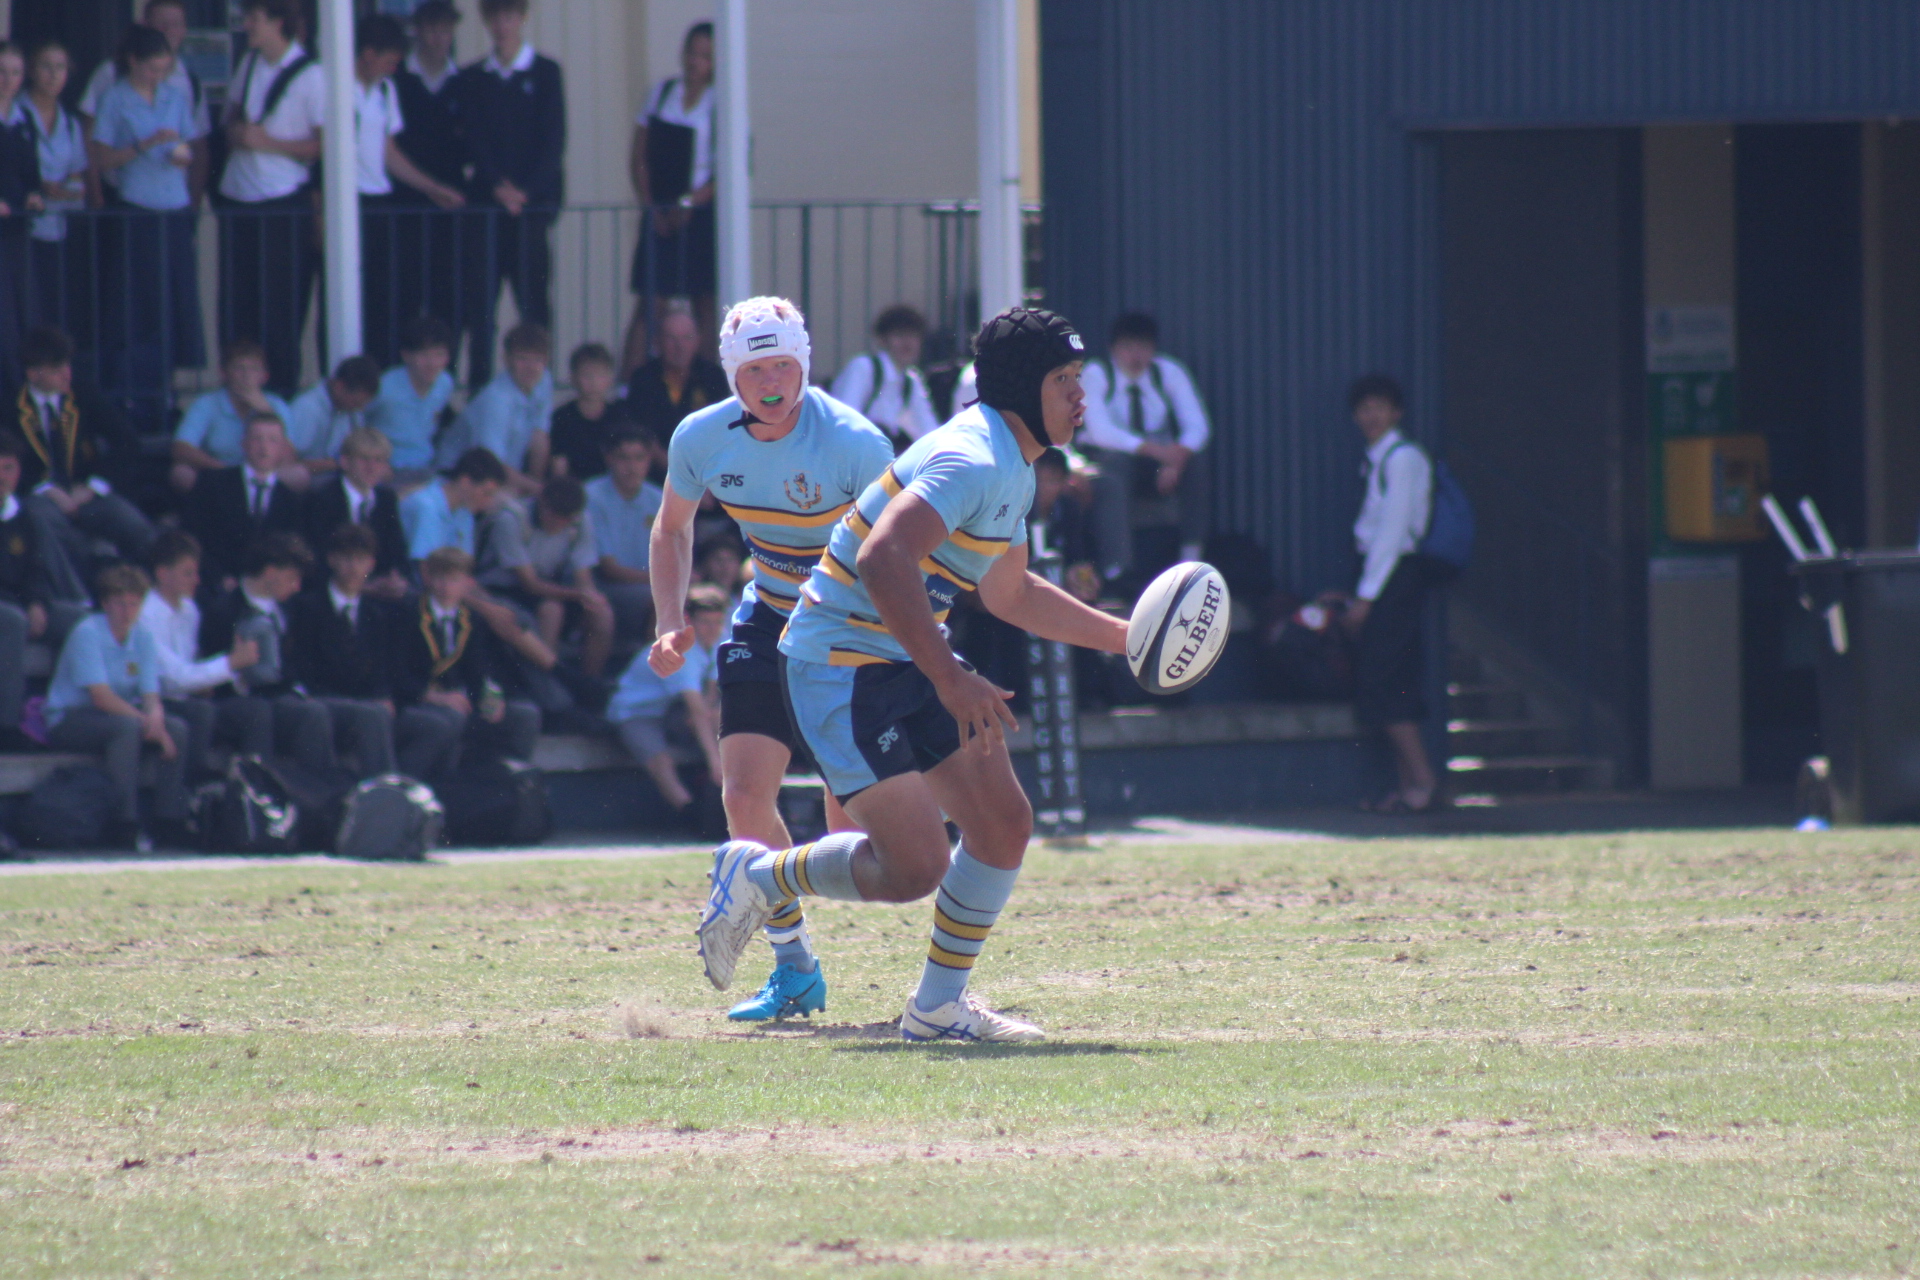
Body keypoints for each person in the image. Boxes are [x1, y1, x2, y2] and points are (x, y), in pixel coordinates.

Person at [699, 306, 1133, 1043]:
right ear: (1024, 389)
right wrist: (952, 680)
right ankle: (758, 876)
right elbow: (884, 557)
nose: (1080, 395)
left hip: (899, 653)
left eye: (1078, 377)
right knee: (914, 868)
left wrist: (1124, 639)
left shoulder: (1012, 465)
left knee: (1003, 823)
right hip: (837, 663)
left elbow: (1011, 594)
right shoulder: (974, 459)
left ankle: (935, 1009)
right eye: (1064, 379)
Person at [648, 296, 894, 1022]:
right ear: (731, 375)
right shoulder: (700, 437)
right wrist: (669, 622)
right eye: (754, 370)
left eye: (783, 365)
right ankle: (795, 968)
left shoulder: (855, 443)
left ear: (804, 365)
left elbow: (902, 558)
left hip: (850, 629)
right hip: (766, 616)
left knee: (852, 832)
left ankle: (941, 974)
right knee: (743, 797)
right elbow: (671, 529)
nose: (772, 382)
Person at [87, 24, 205, 431]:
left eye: (163, 69)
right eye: (151, 68)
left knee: (172, 302)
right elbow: (102, 158)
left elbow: (189, 143)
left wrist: (181, 155)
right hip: (137, 208)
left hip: (174, 207)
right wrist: (144, 145)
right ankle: (131, 393)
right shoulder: (115, 98)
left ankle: (165, 391)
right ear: (133, 62)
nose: (157, 76)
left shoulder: (174, 96)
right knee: (136, 305)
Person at [451, 0, 565, 388]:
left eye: (510, 16)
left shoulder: (546, 72)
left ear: (523, 18)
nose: (503, 24)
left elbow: (553, 141)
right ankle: (479, 389)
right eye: (496, 16)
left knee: (535, 306)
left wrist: (526, 192)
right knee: (480, 307)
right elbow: (473, 139)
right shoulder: (472, 77)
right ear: (486, 20)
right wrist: (498, 186)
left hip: (531, 213)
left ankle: (540, 391)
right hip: (485, 211)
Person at [1340, 374, 1439, 815]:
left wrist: (1366, 598)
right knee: (1385, 683)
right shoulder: (1376, 460)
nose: (1371, 416)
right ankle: (1408, 786)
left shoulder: (1404, 459)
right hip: (1381, 576)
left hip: (1394, 578)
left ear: (1396, 412)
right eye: (1364, 408)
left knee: (1388, 681)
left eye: (1379, 407)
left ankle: (1423, 782)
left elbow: (1393, 534)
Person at [218, 0, 324, 397]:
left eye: (255, 18)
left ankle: (279, 393)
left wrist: (268, 142)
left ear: (278, 22)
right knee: (238, 304)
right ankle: (236, 391)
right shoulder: (248, 63)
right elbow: (231, 116)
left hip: (280, 201)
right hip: (238, 196)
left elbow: (324, 146)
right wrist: (236, 134)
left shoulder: (312, 75)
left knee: (279, 307)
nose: (247, 25)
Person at [45, 564, 190, 852]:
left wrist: (156, 717)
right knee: (127, 728)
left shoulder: (143, 635)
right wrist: (147, 723)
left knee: (177, 729)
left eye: (134, 604)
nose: (127, 612)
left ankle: (168, 820)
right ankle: (124, 823)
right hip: (70, 718)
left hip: (116, 716)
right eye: (120, 604)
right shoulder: (87, 632)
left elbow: (150, 691)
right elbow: (100, 697)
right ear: (106, 604)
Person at [351, 15, 465, 367]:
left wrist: (432, 188)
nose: (393, 68)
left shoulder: (385, 90)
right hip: (347, 203)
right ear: (368, 54)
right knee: (351, 296)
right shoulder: (336, 87)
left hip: (380, 200)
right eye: (389, 60)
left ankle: (382, 373)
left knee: (386, 296)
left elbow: (389, 152)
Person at [12, 326, 154, 599]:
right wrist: (47, 489)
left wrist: (93, 486)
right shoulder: (10, 407)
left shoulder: (83, 394)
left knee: (133, 524)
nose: (67, 373)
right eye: (56, 368)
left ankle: (151, 595)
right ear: (33, 373)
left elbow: (126, 441)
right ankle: (80, 599)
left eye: (67, 364)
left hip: (86, 493)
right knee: (42, 522)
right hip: (41, 497)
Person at [1076, 311, 1212, 585]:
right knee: (1112, 475)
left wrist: (1177, 459)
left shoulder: (1169, 372)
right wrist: (1156, 451)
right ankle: (1118, 570)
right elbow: (1101, 431)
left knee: (1197, 465)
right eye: (1127, 347)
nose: (1135, 356)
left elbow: (1198, 426)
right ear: (1113, 349)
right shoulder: (1097, 373)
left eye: (1143, 347)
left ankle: (1190, 559)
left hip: (1160, 461)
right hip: (1109, 455)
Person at [391, 545, 540, 782]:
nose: (446, 587)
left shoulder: (471, 619)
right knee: (452, 718)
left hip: (458, 698)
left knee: (524, 715)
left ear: (467, 583)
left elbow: (480, 669)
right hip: (418, 699)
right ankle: (438, 786)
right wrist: (434, 696)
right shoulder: (408, 613)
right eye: (440, 578)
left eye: (453, 580)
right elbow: (395, 672)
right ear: (428, 578)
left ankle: (511, 784)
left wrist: (491, 697)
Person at [198, 531, 337, 776]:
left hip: (283, 696)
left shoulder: (292, 610)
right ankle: (259, 784)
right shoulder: (224, 610)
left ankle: (316, 788)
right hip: (239, 700)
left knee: (314, 712)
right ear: (271, 572)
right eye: (292, 578)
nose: (297, 587)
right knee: (260, 712)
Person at [622, 22, 715, 374]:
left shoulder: (720, 101)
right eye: (691, 52)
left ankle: (707, 385)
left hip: (699, 214)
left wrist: (689, 203)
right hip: (659, 210)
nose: (695, 61)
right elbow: (639, 155)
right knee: (650, 303)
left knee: (704, 303)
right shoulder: (661, 93)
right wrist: (652, 207)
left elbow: (729, 170)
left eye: (704, 55)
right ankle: (629, 386)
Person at [283, 523, 406, 778]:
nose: (353, 568)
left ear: (371, 564)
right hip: (322, 699)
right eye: (347, 559)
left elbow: (383, 666)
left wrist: (383, 695)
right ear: (332, 560)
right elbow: (301, 665)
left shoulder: (377, 613)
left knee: (416, 721)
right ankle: (384, 788)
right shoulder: (307, 607)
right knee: (372, 716)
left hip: (364, 701)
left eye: (361, 560)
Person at [139, 530, 261, 780]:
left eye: (196, 572)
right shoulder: (144, 615)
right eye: (187, 573)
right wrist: (231, 662)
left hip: (187, 698)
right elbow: (174, 679)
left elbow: (192, 665)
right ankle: (193, 785)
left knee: (253, 711)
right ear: (162, 573)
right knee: (201, 712)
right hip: (153, 701)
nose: (196, 580)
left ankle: (256, 784)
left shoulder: (190, 610)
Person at [77, 0, 212, 206]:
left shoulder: (188, 82)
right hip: (122, 193)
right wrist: (96, 197)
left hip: (175, 197)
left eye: (176, 24)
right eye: (162, 24)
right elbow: (90, 136)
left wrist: (194, 201)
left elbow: (198, 144)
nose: (169, 31)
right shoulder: (111, 74)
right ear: (145, 26)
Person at [611, 583, 725, 825]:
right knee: (661, 761)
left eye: (717, 622)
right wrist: (715, 762)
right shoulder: (681, 649)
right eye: (705, 622)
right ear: (688, 622)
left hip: (672, 712)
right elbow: (696, 710)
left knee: (719, 715)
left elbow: (709, 699)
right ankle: (691, 815)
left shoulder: (719, 643)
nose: (712, 630)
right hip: (635, 714)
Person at [478, 475, 613, 678]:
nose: (559, 523)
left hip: (551, 585)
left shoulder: (579, 520)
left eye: (566, 519)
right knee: (551, 611)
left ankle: (590, 680)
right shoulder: (512, 519)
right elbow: (529, 583)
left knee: (602, 614)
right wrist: (579, 595)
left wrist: (590, 597)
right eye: (555, 515)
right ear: (542, 503)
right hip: (504, 587)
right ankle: (549, 682)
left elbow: (582, 573)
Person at [0, 429, 85, 749]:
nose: (2, 476)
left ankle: (63, 717)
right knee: (12, 622)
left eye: (8, 468)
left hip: (21, 603)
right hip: (8, 609)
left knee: (78, 620)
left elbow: (38, 569)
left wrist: (37, 602)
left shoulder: (27, 516)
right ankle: (7, 726)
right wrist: (24, 607)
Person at [390, 1, 466, 348]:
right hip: (403, 202)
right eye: (432, 29)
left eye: (446, 30)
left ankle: (444, 370)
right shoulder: (397, 81)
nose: (439, 38)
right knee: (403, 293)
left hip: (450, 205)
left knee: (447, 294)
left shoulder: (464, 83)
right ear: (418, 31)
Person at [189, 411, 308, 589]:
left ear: (283, 448)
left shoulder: (291, 500)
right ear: (244, 443)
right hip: (216, 586)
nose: (264, 447)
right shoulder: (213, 484)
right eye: (257, 439)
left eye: (272, 440)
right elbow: (194, 538)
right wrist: (219, 578)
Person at [434, 322, 552, 493]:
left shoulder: (543, 381)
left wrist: (536, 488)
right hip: (460, 479)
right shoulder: (496, 400)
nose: (530, 367)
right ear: (507, 359)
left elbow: (539, 438)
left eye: (537, 360)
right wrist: (539, 490)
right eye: (522, 359)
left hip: (504, 478)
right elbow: (492, 466)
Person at [22, 42, 90, 337]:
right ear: (31, 71)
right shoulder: (15, 113)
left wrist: (69, 190)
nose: (53, 75)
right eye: (46, 66)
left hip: (56, 227)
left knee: (52, 304)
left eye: (60, 67)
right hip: (21, 227)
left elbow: (76, 173)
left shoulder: (70, 123)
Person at [172, 340, 294, 491]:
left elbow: (290, 459)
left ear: (264, 376)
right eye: (239, 368)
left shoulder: (276, 405)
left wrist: (267, 412)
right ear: (224, 374)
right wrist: (227, 473)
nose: (246, 376)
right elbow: (181, 448)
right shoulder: (207, 403)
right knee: (181, 473)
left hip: (264, 474)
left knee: (297, 475)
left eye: (254, 369)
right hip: (218, 473)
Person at [303, 426, 410, 593]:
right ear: (345, 462)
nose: (371, 467)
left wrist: (395, 578)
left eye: (378, 460)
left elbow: (397, 551)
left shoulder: (386, 499)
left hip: (377, 590)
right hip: (328, 589)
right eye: (364, 459)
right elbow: (315, 556)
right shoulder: (321, 499)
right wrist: (362, 586)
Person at [586, 424, 663, 643]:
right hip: (604, 586)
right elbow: (609, 568)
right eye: (623, 458)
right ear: (609, 459)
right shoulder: (592, 497)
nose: (632, 467)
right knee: (665, 600)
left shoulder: (659, 499)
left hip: (647, 584)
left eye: (639, 458)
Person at [831, 304, 941, 451]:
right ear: (882, 340)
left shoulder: (911, 380)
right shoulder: (864, 368)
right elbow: (843, 422)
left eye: (913, 335)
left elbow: (929, 430)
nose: (907, 342)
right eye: (899, 335)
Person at [624, 300, 728, 449]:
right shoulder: (643, 379)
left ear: (698, 340)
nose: (679, 346)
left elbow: (722, 427)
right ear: (657, 341)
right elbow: (641, 432)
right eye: (671, 338)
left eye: (687, 338)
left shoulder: (713, 376)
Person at [0, 43, 44, 393]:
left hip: (17, 229)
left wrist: (34, 194)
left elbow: (31, 172)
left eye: (15, 72)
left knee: (24, 312)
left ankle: (26, 391)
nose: (8, 80)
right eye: (1, 71)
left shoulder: (24, 118)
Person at [367, 315, 455, 481]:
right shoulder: (384, 387)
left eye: (439, 355)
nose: (432, 363)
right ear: (406, 355)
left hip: (427, 467)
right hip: (388, 472)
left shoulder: (445, 383)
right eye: (424, 355)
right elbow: (355, 422)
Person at [400, 446, 507, 567]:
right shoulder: (426, 506)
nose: (489, 503)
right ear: (465, 482)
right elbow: (424, 565)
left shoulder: (465, 512)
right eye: (486, 493)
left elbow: (464, 564)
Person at [547, 342, 633, 481]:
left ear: (610, 378)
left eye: (600, 375)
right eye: (586, 375)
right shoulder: (562, 416)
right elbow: (559, 464)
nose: (593, 382)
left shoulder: (619, 415)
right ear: (573, 378)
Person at [285, 356, 381, 474]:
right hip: (310, 478)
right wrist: (336, 465)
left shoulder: (353, 411)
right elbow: (288, 463)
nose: (359, 409)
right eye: (355, 402)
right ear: (339, 386)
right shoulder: (307, 408)